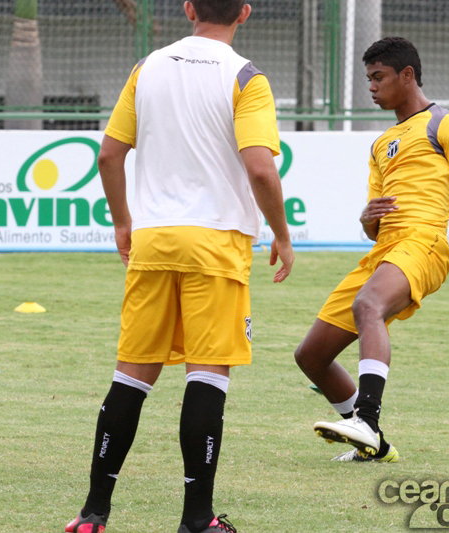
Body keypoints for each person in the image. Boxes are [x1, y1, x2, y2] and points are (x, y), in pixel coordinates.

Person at [65, 1, 293, 532]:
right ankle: (196, 519)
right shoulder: (246, 77)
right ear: (246, 13)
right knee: (207, 379)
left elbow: (108, 156)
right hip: (216, 245)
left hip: (153, 241)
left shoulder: (147, 67)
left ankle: (93, 513)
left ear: (188, 7)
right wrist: (281, 234)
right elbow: (260, 168)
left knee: (131, 377)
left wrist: (123, 222)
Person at [295, 37, 449, 463]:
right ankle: (370, 444)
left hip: (424, 242)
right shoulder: (381, 144)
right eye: (368, 79)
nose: (371, 87)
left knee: (369, 304)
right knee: (311, 356)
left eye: (378, 77)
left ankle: (367, 422)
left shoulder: (447, 124)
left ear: (407, 76)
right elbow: (374, 229)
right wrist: (365, 218)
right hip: (386, 249)